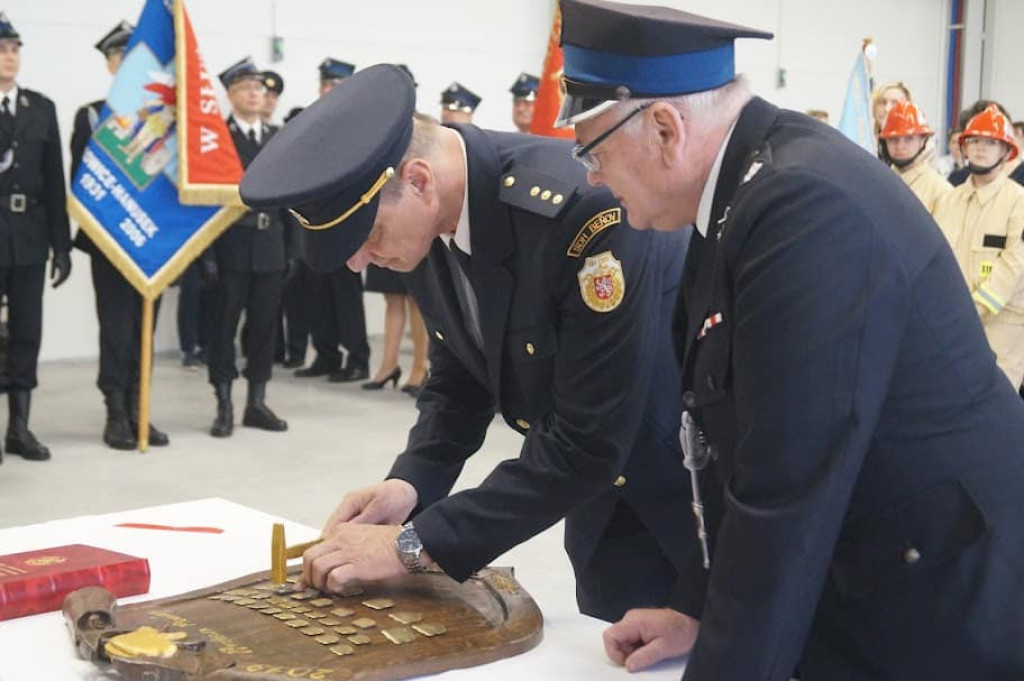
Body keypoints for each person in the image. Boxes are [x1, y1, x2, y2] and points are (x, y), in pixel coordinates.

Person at [555, 0, 1024, 678]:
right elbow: (731, 450)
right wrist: (696, 603)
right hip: (874, 566)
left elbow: (785, 487)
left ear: (664, 127)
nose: (591, 177)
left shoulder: (803, 208)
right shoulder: (743, 196)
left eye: (592, 152)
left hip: (941, 604)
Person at [240, 64, 700, 623]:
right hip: (601, 509)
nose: (360, 263)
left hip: (693, 502)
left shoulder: (582, 214)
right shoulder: (429, 220)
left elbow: (587, 442)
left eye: (369, 238)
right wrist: (409, 483)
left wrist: (412, 547)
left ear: (420, 180)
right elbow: (460, 372)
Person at [70, 20, 169, 450]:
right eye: (120, 56)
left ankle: (138, 408)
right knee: (117, 330)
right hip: (111, 244)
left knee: (144, 332)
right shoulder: (92, 116)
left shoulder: (166, 120)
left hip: (152, 243)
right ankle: (115, 410)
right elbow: (81, 184)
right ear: (112, 65)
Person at [202, 57, 289, 438]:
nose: (256, 93)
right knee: (222, 329)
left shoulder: (278, 137)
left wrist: (294, 249)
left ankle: (256, 401)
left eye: (259, 88)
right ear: (230, 94)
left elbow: (292, 197)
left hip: (271, 246)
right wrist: (204, 254)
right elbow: (202, 200)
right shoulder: (215, 139)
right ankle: (223, 404)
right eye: (246, 87)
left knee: (263, 329)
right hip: (229, 247)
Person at [0, 13, 72, 462]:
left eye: (14, 49)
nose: (10, 56)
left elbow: (53, 180)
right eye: (3, 49)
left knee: (26, 333)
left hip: (27, 239)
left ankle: (19, 429)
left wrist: (60, 245)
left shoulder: (40, 108)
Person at [933, 104, 1024, 389]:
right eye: (974, 141)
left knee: (997, 411)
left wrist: (972, 309)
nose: (981, 148)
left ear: (1005, 151)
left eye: (990, 142)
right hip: (951, 326)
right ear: (964, 147)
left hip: (1001, 330)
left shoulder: (1018, 202)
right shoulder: (948, 200)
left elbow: (1014, 266)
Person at [293, 57, 371, 383]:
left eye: (336, 85)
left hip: (347, 221)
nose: (329, 90)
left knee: (346, 294)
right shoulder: (311, 123)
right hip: (314, 219)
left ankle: (357, 358)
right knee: (316, 294)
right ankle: (326, 353)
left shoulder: (361, 126)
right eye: (325, 84)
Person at [362, 63, 429, 395]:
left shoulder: (425, 129)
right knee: (392, 299)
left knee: (419, 302)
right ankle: (387, 364)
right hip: (381, 224)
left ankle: (420, 366)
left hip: (412, 227)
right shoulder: (373, 128)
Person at [877, 100, 951, 212]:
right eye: (893, 139)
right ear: (885, 142)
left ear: (923, 140)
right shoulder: (878, 181)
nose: (900, 146)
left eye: (909, 139)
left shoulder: (941, 190)